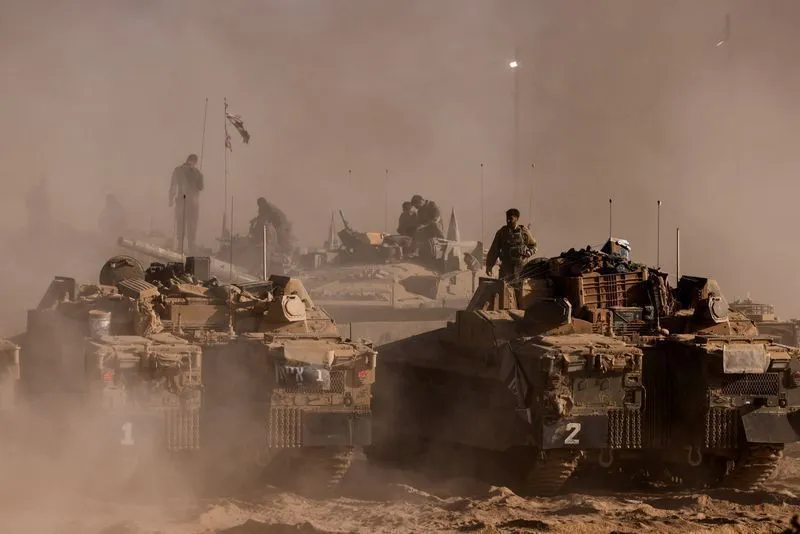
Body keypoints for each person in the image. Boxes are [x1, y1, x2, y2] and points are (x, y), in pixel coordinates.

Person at [485, 208, 537, 281]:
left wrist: (529, 252)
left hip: (520, 269)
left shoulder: (524, 232)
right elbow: (494, 250)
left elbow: (534, 246)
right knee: (503, 287)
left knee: (519, 286)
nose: (508, 221)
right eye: (507, 218)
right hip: (506, 269)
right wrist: (489, 266)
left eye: (511, 218)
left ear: (517, 219)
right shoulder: (502, 232)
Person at [169, 153, 204, 254]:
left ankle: (181, 249)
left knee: (182, 226)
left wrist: (170, 199)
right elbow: (201, 187)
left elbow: (173, 186)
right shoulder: (196, 173)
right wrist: (198, 175)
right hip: (191, 203)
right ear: (194, 162)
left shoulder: (178, 170)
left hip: (183, 202)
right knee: (190, 228)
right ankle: (189, 249)